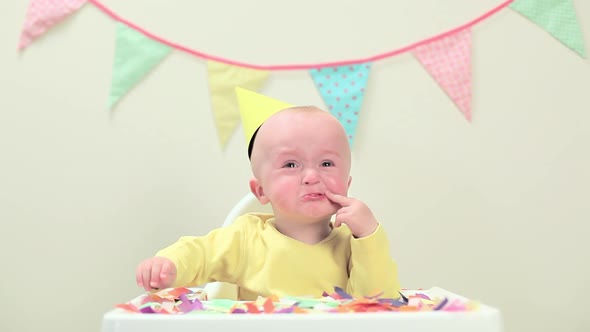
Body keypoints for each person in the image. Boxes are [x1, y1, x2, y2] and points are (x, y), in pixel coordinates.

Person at [135, 90, 401, 300]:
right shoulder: (246, 238)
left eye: (327, 164)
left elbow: (379, 303)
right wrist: (168, 264)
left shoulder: (352, 243)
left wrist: (368, 236)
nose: (311, 176)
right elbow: (199, 253)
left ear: (347, 184)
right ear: (261, 191)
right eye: (291, 165)